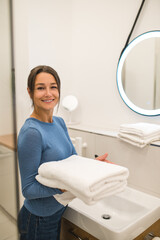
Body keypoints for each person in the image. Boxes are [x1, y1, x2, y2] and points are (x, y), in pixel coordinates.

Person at [17, 65, 109, 240]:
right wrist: (63, 186)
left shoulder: (59, 122)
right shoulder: (32, 132)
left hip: (58, 210)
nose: (48, 93)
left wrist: (95, 167)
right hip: (38, 219)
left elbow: (73, 163)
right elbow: (28, 189)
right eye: (40, 88)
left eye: (53, 87)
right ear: (30, 92)